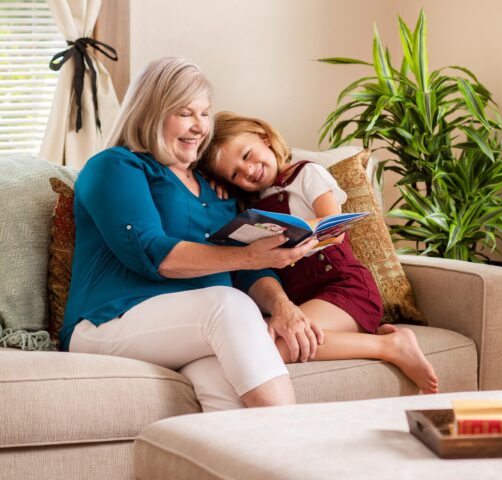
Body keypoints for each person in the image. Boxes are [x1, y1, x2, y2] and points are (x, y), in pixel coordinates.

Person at [61, 56, 321, 412]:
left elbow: (247, 271)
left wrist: (282, 307)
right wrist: (248, 255)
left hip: (187, 329)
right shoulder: (116, 166)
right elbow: (153, 252)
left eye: (205, 113)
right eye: (185, 113)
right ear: (151, 112)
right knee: (229, 305)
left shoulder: (215, 189)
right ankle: (294, 448)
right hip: (109, 321)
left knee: (230, 398)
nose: (199, 126)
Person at [198, 111, 439, 395]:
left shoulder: (307, 174)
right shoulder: (249, 204)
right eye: (235, 173)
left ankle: (390, 345)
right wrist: (213, 186)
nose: (248, 170)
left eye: (248, 155)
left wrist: (288, 232)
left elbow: (333, 227)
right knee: (249, 340)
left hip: (345, 287)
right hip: (303, 298)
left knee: (272, 345)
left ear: (264, 138)